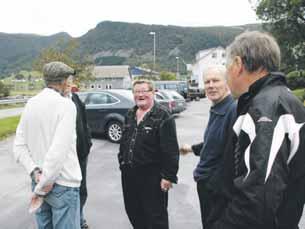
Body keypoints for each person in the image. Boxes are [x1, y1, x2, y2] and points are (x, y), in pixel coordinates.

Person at [211, 31, 305, 229]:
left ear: (238, 65)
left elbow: (258, 200)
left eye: (227, 67)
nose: (227, 74)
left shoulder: (266, 107)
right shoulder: (281, 99)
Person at [13, 61, 82, 229]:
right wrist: (44, 183)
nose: (71, 83)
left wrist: (35, 172)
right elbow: (58, 152)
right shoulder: (67, 105)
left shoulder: (31, 103)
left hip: (38, 181)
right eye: (69, 79)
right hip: (61, 184)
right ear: (64, 81)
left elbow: (19, 146)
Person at [180, 65, 237, 229]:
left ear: (226, 83)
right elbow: (213, 144)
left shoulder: (232, 110)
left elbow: (232, 152)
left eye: (216, 80)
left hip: (216, 189)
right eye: (207, 82)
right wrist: (191, 148)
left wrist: (214, 184)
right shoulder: (217, 108)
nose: (211, 85)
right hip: (207, 185)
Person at [118, 79, 179, 229]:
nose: (140, 95)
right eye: (137, 92)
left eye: (144, 91)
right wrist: (121, 161)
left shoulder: (163, 116)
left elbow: (171, 150)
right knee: (133, 211)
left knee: (155, 216)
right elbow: (124, 141)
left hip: (152, 176)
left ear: (153, 93)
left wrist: (168, 176)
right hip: (129, 175)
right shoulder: (130, 114)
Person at [64, 83, 92, 229]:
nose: (69, 83)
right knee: (68, 191)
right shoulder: (57, 101)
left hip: (81, 153)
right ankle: (75, 221)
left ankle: (80, 219)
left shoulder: (75, 98)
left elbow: (84, 121)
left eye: (70, 80)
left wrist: (88, 141)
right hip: (66, 157)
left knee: (81, 189)